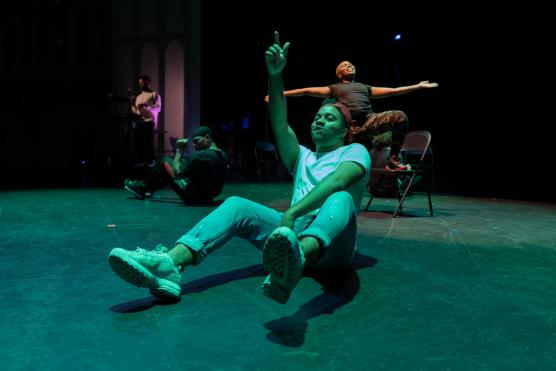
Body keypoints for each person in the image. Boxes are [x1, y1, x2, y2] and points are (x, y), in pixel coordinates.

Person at [108, 31, 371, 305]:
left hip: (333, 245)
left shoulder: (355, 151)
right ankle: (170, 265)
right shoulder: (302, 156)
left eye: (329, 119)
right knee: (236, 205)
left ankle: (297, 259)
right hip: (292, 234)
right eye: (317, 117)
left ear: (344, 132)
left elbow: (340, 181)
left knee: (339, 198)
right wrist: (275, 76)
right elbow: (280, 123)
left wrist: (293, 212)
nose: (319, 121)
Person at [265, 61, 438, 171]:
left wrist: (418, 86)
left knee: (400, 117)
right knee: (334, 144)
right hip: (349, 129)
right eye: (345, 66)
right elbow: (308, 91)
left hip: (369, 122)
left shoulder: (364, 87)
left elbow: (392, 91)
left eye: (351, 65)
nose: (349, 66)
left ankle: (392, 160)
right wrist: (281, 93)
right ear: (339, 74)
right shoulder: (335, 87)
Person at [124, 126, 228, 205]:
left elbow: (177, 175)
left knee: (165, 161)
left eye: (197, 141)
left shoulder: (201, 155)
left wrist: (179, 150)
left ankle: (142, 188)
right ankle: (148, 188)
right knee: (171, 164)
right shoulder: (222, 155)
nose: (194, 145)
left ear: (207, 137)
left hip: (194, 197)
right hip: (209, 196)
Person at [129, 75, 162, 165]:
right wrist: (132, 105)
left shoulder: (154, 94)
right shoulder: (139, 97)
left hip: (149, 121)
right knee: (139, 143)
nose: (141, 84)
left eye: (143, 82)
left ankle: (151, 161)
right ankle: (141, 161)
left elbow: (158, 108)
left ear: (148, 83)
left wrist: (147, 106)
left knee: (148, 142)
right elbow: (136, 112)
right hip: (139, 122)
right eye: (140, 83)